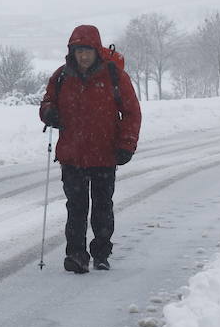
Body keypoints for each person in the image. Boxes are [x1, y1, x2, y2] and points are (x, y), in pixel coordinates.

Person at [38, 25, 142, 273]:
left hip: (105, 155)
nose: (83, 56)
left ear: (97, 50)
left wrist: (126, 145)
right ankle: (76, 255)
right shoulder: (61, 76)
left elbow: (132, 112)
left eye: (87, 51)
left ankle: (101, 252)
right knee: (76, 206)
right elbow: (47, 103)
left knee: (102, 205)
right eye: (78, 51)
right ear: (72, 52)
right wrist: (49, 113)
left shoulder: (115, 76)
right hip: (72, 156)